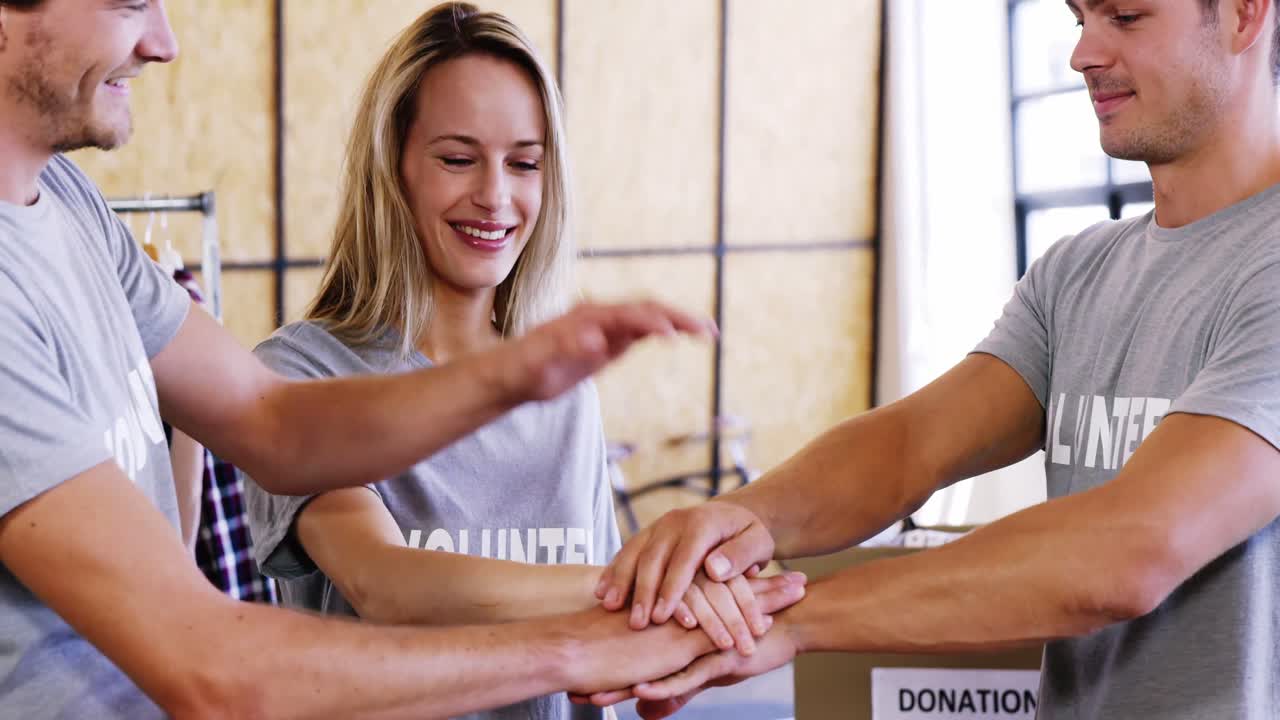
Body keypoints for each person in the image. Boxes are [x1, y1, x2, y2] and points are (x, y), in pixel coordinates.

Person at [0, 1, 805, 717]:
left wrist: (520, 374)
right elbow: (235, 659)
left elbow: (267, 420)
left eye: (524, 163)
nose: (166, 42)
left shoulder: (73, 208)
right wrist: (606, 623)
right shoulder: (305, 356)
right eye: (129, 2)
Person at [587, 1, 1280, 718]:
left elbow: (1129, 551)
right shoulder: (1079, 273)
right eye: (1079, 19)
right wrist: (739, 523)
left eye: (1126, 17)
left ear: (1242, 15)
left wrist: (788, 619)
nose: (1083, 55)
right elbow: (910, 446)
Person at [242, 6, 799, 720]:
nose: (496, 196)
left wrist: (673, 620)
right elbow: (388, 585)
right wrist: (648, 582)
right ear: (393, 167)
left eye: (525, 163)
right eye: (456, 158)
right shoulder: (302, 374)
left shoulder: (563, 390)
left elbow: (601, 640)